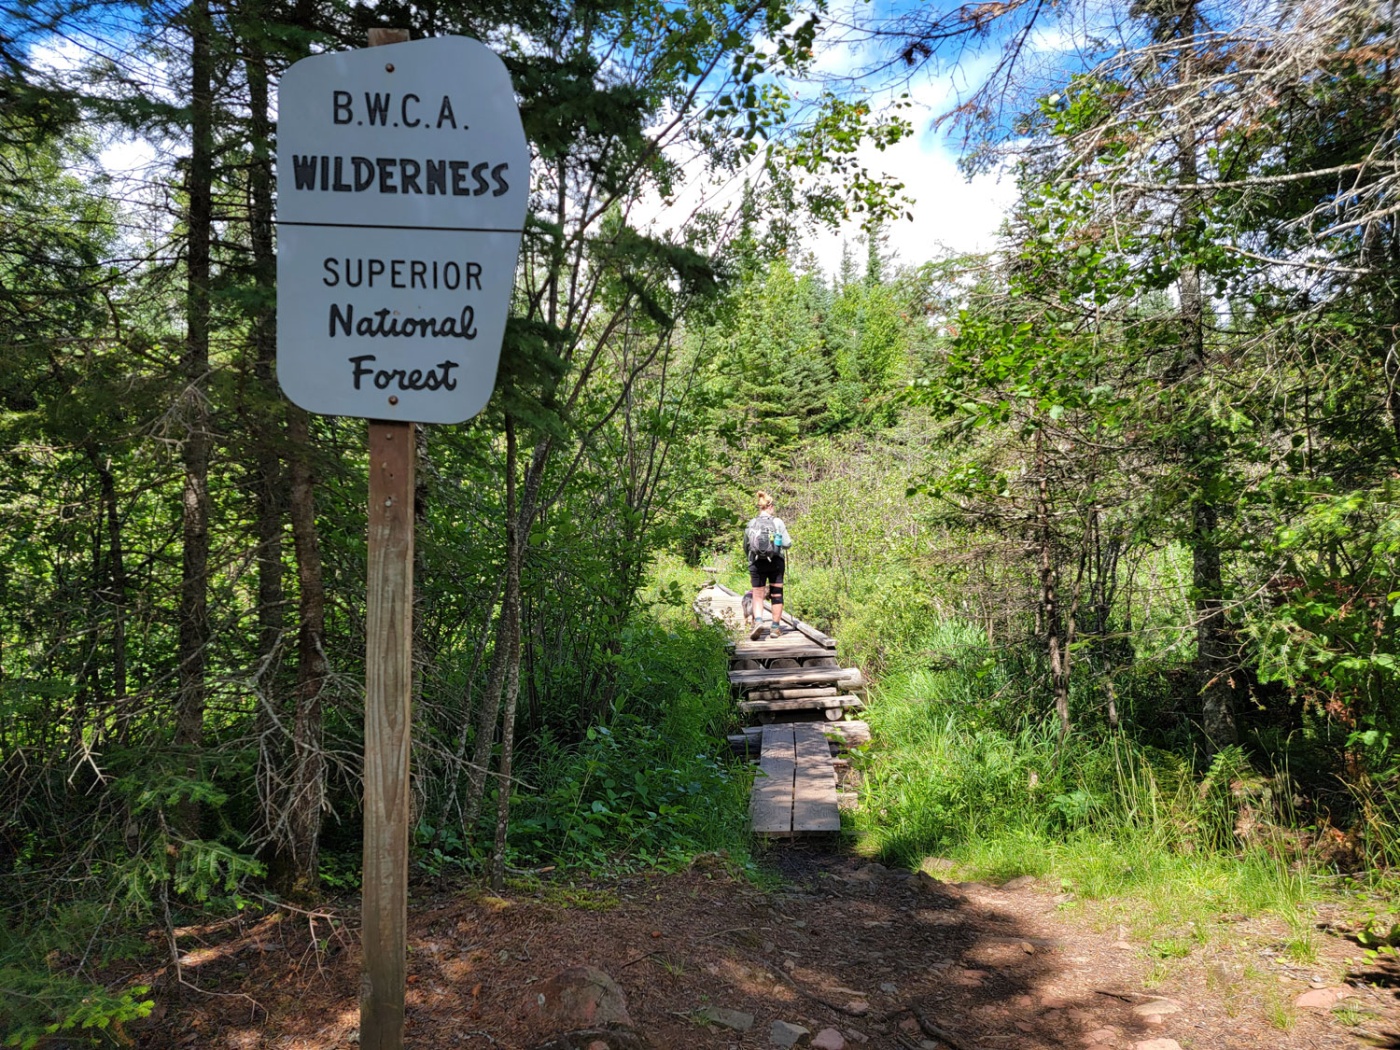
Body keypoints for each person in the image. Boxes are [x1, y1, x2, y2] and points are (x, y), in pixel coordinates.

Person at [743, 490, 793, 640]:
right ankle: (775, 628)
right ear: (770, 506)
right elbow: (787, 543)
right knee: (777, 594)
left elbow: (746, 546)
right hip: (776, 562)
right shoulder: (777, 522)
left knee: (757, 595)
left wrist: (751, 560)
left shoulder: (752, 523)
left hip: (757, 563)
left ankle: (758, 621)